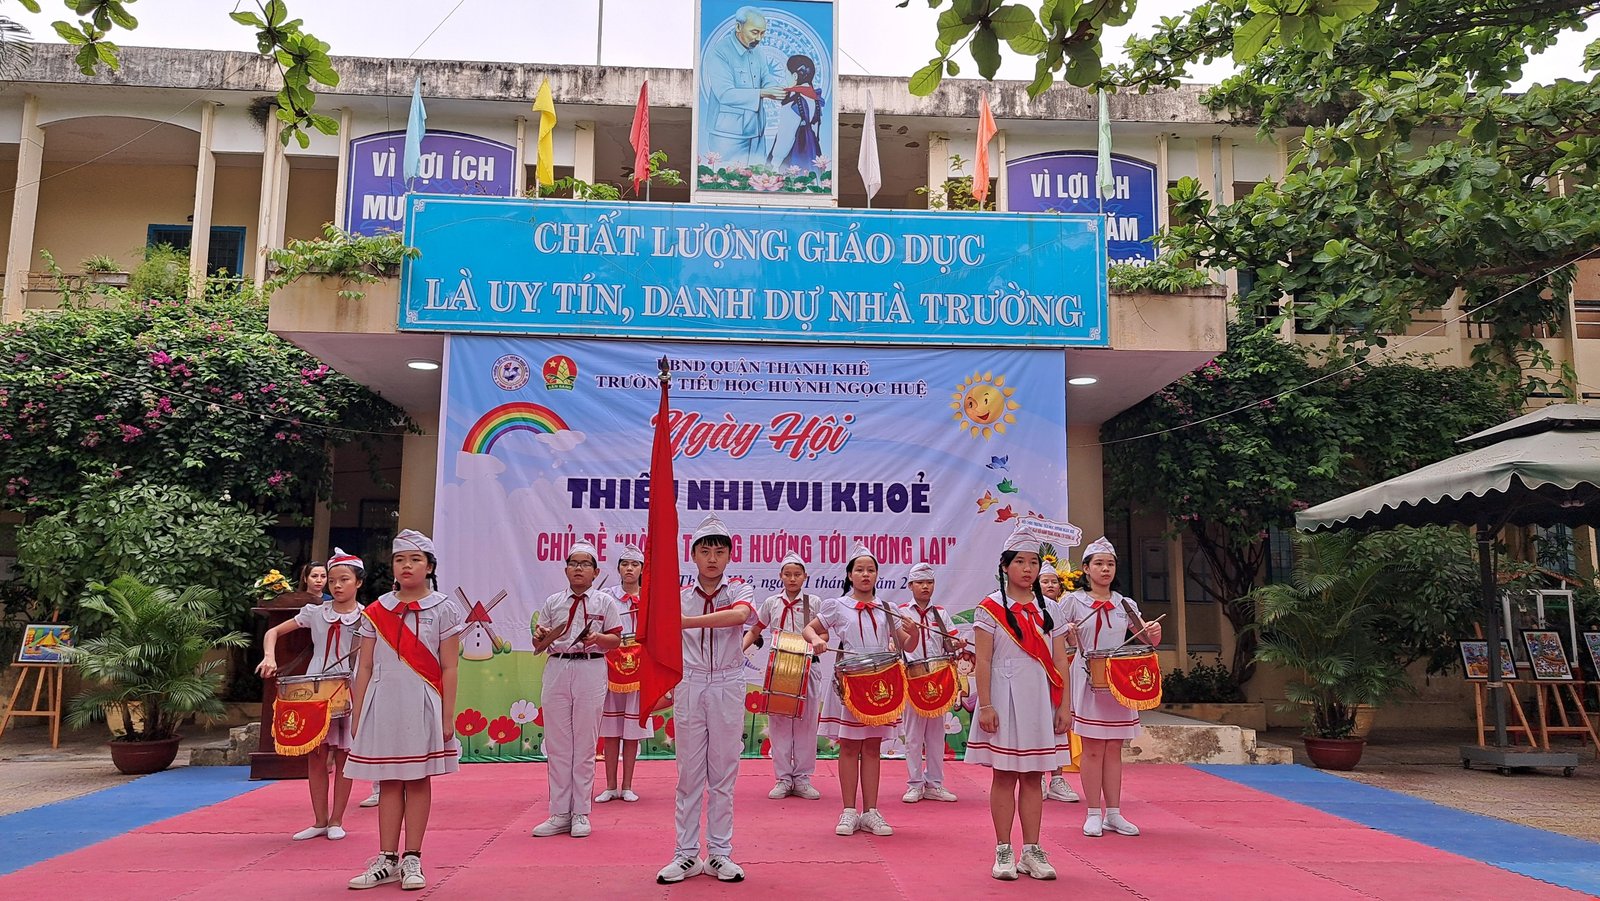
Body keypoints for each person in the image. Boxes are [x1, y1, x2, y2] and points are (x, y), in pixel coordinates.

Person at [344, 530, 465, 891]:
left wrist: (447, 715)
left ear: (430, 566)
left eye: (415, 559)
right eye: (399, 559)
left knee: (417, 778)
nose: (406, 566)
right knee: (388, 780)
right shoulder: (376, 611)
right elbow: (364, 666)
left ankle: (413, 857)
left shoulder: (444, 608)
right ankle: (387, 859)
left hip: (422, 701)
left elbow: (450, 667)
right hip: (382, 702)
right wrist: (358, 712)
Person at [965, 522, 1074, 880]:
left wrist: (1065, 706)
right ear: (1005, 566)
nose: (1028, 569)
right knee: (1005, 774)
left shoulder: (1051, 609)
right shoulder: (989, 608)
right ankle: (1003, 849)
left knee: (1033, 776)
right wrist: (986, 705)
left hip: (1041, 698)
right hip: (1004, 696)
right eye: (1020, 562)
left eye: (1033, 562)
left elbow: (1060, 661)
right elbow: (983, 660)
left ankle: (1032, 850)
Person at [656, 515, 756, 884]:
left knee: (724, 772)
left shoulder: (740, 589)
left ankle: (719, 853)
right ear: (693, 555)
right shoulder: (678, 596)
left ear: (730, 555)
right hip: (691, 683)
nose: (712, 558)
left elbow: (739, 617)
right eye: (705, 551)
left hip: (728, 683)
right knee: (689, 773)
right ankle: (685, 854)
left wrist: (684, 622)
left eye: (719, 552)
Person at [258, 548, 365, 841]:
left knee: (344, 755)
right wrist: (269, 657)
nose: (337, 585)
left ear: (358, 582)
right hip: (315, 688)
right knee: (316, 754)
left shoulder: (367, 618)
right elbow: (272, 633)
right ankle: (319, 820)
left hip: (350, 688)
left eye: (344, 579)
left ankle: (337, 820)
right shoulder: (315, 613)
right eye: (333, 580)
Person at [803, 544, 910, 838]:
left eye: (870, 570)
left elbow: (908, 645)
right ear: (850, 575)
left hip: (880, 685)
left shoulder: (888, 609)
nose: (865, 574)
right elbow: (808, 629)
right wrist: (817, 640)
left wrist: (911, 631)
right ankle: (849, 810)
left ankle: (871, 811)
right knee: (850, 746)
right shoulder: (837, 606)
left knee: (873, 746)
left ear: (877, 575)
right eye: (859, 570)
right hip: (850, 683)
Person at [1061, 537, 1162, 839]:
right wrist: (1067, 633)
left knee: (1115, 748)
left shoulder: (1124, 604)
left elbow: (1146, 641)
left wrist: (1153, 631)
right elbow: (1055, 638)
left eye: (1110, 564)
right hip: (1087, 678)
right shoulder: (1073, 602)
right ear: (1086, 569)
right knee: (1092, 748)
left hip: (1119, 680)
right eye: (1099, 564)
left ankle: (1114, 813)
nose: (1105, 569)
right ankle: (1093, 812)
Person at [531, 539, 624, 838]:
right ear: (566, 570)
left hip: (591, 668)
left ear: (595, 572)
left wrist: (598, 638)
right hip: (557, 666)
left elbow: (616, 640)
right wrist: (540, 635)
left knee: (585, 743)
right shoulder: (553, 602)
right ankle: (559, 812)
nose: (578, 568)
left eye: (585, 564)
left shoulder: (605, 602)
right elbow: (539, 642)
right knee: (558, 743)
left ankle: (581, 812)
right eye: (573, 563)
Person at [743, 551, 824, 801]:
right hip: (779, 669)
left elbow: (824, 633)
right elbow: (756, 630)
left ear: (805, 576)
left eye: (797, 574)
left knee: (806, 723)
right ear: (780, 576)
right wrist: (739, 650)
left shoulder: (814, 603)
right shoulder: (771, 603)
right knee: (778, 723)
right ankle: (783, 778)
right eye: (787, 574)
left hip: (808, 667)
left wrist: (819, 641)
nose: (792, 578)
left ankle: (802, 778)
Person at [897, 561, 961, 804]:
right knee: (913, 736)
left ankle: (935, 784)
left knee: (935, 736)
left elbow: (950, 644)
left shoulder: (940, 614)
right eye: (920, 583)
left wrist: (957, 644)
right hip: (912, 679)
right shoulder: (901, 612)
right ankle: (914, 784)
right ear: (910, 585)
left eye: (929, 582)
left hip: (937, 680)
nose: (925, 587)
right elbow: (896, 644)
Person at [700, 6, 788, 168]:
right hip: (728, 135)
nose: (759, 38)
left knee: (758, 178)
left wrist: (776, 89)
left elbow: (765, 77)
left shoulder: (758, 52)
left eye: (762, 33)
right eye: (754, 32)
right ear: (738, 27)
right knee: (727, 178)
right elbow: (725, 94)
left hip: (756, 131)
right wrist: (763, 93)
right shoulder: (719, 52)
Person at [597, 543, 650, 804]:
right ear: (618, 568)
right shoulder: (606, 596)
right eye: (625, 564)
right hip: (611, 666)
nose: (629, 569)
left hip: (639, 668)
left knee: (631, 730)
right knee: (611, 730)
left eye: (635, 565)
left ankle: (627, 785)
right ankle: (609, 786)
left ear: (642, 569)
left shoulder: (649, 598)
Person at [1037, 567, 1081, 804]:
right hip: (1034, 675)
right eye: (1045, 582)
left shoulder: (1062, 610)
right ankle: (1037, 778)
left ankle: (1057, 779)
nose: (1050, 585)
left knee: (1058, 723)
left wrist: (1070, 632)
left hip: (1058, 675)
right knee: (1037, 726)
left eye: (1054, 582)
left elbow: (1073, 646)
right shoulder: (1030, 608)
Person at [767, 54, 824, 173]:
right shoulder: (815, 98)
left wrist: (775, 163)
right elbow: (816, 130)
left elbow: (785, 136)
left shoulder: (793, 100)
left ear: (795, 76)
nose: (785, 77)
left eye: (786, 73)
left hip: (793, 155)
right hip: (811, 151)